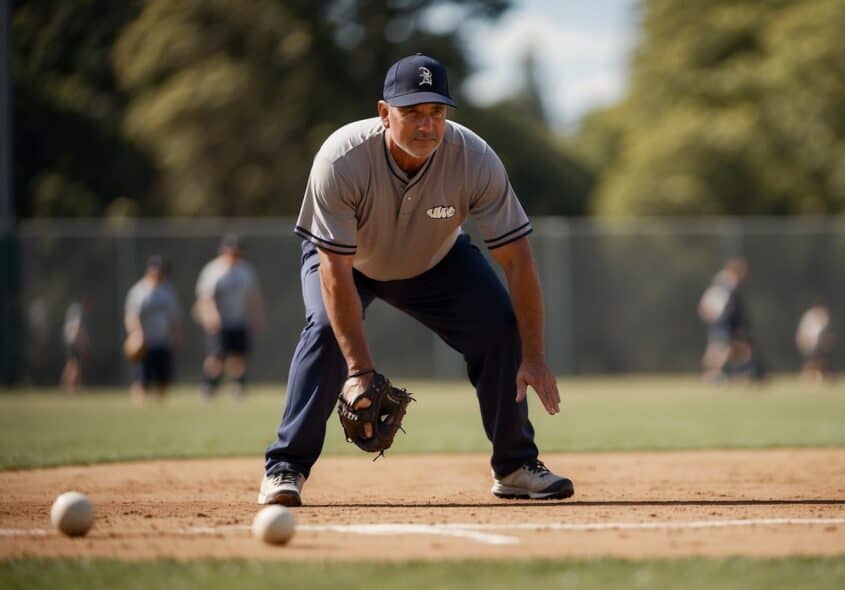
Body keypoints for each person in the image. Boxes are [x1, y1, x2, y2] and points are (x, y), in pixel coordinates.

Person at [258, 53, 573, 506]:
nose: (427, 125)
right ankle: (285, 467)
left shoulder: (474, 159)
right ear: (384, 113)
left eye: (437, 112)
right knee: (327, 331)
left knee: (501, 328)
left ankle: (515, 465)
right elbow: (335, 269)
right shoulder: (342, 159)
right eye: (412, 112)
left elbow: (519, 261)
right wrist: (360, 371)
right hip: (349, 262)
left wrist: (536, 357)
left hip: (435, 259)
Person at [194, 235, 264, 400]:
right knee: (216, 358)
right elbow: (205, 297)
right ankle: (207, 387)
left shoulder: (245, 270)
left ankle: (237, 389)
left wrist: (256, 316)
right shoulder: (213, 270)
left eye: (237, 252)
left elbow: (253, 297)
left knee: (237, 357)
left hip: (238, 320)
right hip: (219, 322)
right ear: (223, 252)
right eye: (230, 252)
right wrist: (211, 316)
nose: (233, 255)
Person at [124, 256, 183, 404]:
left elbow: (174, 316)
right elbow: (132, 316)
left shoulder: (168, 291)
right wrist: (136, 335)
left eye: (163, 271)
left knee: (163, 379)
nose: (161, 274)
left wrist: (176, 334)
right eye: (158, 270)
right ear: (150, 270)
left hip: (163, 341)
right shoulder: (139, 291)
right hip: (145, 343)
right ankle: (139, 408)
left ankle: (160, 411)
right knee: (142, 378)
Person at [697, 258, 762, 383]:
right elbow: (708, 306)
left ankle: (741, 373)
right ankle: (711, 375)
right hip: (722, 322)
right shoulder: (725, 285)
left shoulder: (721, 284)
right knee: (720, 349)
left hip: (725, 323)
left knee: (734, 348)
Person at [795, 302, 834, 385]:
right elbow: (802, 333)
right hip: (809, 343)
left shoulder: (824, 316)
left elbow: (825, 333)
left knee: (819, 360)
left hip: (818, 344)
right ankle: (808, 376)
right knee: (812, 361)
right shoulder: (809, 316)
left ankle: (818, 376)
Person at [61, 297, 90, 394]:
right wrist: (82, 343)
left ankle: (67, 386)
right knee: (75, 365)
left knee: (70, 364)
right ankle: (72, 388)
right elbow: (77, 328)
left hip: (69, 340)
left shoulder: (73, 308)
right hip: (74, 341)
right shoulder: (79, 310)